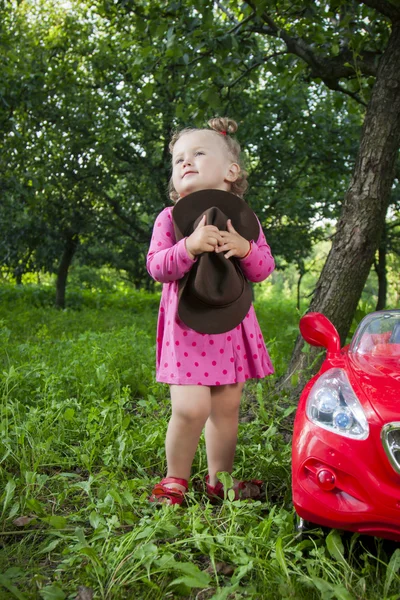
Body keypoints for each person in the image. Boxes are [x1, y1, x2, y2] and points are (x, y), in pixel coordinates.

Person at [146, 117, 275, 505]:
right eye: (178, 159)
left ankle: (221, 479)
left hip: (230, 327)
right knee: (190, 408)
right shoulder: (170, 219)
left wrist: (245, 247)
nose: (185, 162)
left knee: (227, 407)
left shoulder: (245, 221)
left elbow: (264, 268)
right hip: (187, 328)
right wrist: (189, 246)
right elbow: (157, 267)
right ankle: (175, 480)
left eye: (198, 153)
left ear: (231, 171)